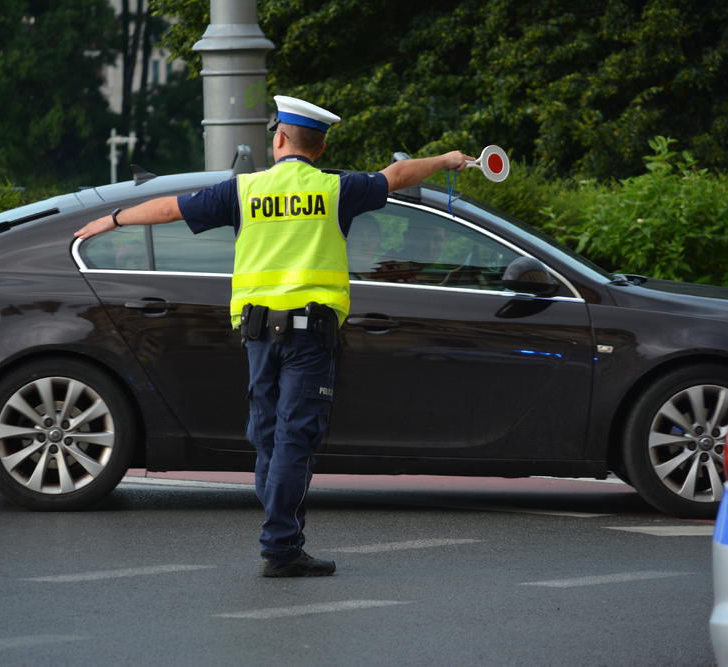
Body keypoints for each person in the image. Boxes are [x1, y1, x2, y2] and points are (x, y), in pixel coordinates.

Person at [75, 95, 472, 577]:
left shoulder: (243, 191)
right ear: (320, 150)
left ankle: (282, 534)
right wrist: (447, 160)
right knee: (292, 441)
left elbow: (169, 209)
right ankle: (281, 548)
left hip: (259, 336)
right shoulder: (336, 190)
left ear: (280, 138)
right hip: (310, 338)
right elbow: (398, 177)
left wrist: (111, 220)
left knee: (267, 437)